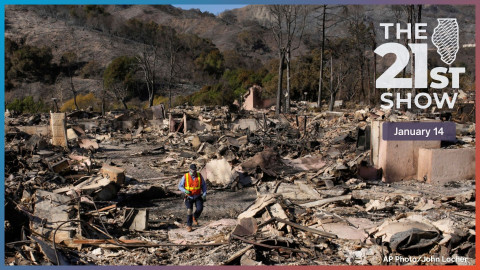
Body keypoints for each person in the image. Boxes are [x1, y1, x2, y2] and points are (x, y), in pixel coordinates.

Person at [178, 164, 207, 232]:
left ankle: (195, 217)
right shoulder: (185, 176)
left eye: (195, 171)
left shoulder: (199, 176)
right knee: (189, 210)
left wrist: (204, 194)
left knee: (200, 208)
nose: (193, 173)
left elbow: (204, 185)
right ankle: (189, 225)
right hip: (189, 197)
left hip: (197, 196)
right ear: (189, 170)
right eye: (192, 171)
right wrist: (185, 190)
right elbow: (180, 186)